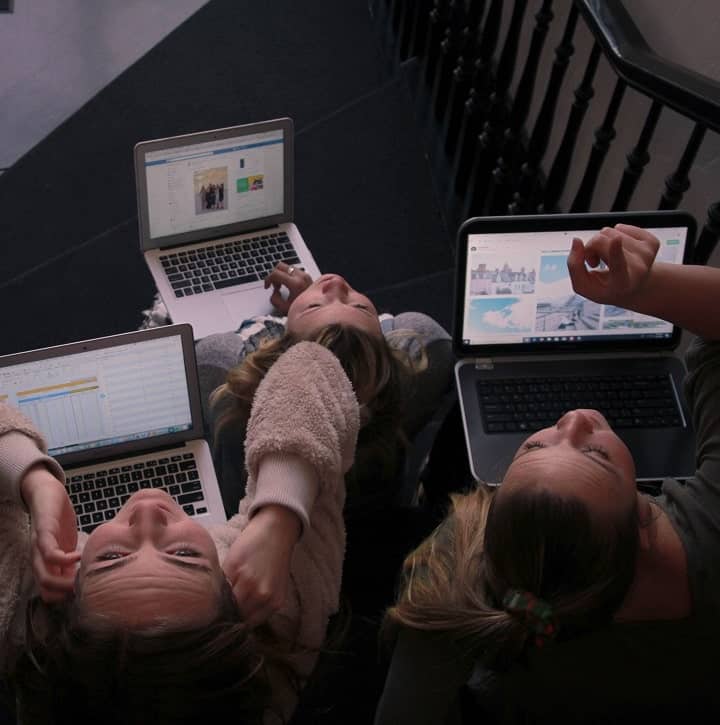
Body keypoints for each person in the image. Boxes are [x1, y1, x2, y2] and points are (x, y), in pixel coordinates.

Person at [375, 224, 720, 724]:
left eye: (533, 444)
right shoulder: (710, 536)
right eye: (596, 455)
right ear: (642, 528)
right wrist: (646, 288)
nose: (574, 418)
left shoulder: (456, 574)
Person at [1, 341, 360, 724]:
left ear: (64, 604)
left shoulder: (28, 616)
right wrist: (279, 517)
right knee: (215, 363)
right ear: (235, 593)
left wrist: (36, 480)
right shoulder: (279, 614)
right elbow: (311, 362)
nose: (147, 514)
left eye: (112, 558)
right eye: (185, 556)